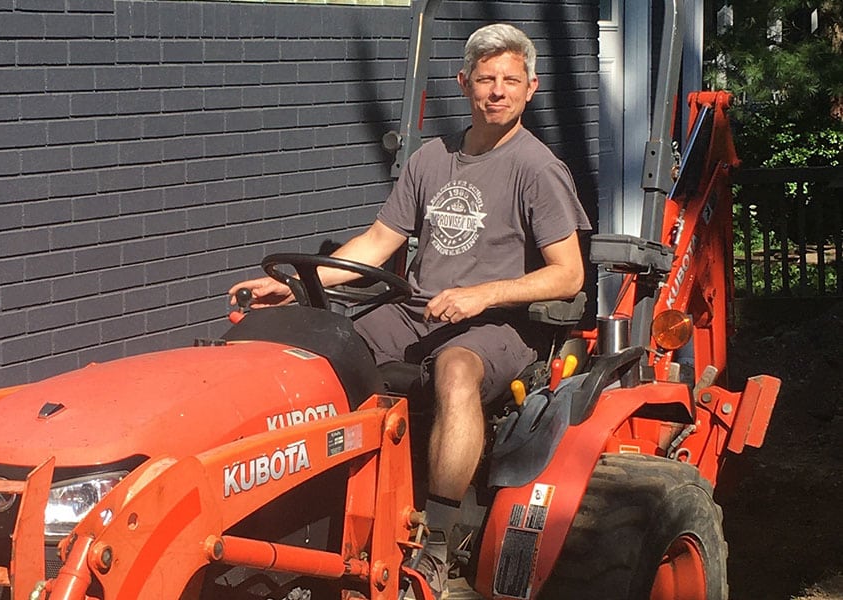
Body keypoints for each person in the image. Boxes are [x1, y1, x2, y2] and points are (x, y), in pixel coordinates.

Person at [229, 23, 591, 598]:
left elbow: (568, 273)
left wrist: (484, 294)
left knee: (455, 371)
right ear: (464, 84)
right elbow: (377, 242)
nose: (497, 90)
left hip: (498, 325)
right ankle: (305, 499)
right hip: (416, 311)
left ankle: (439, 542)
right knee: (318, 351)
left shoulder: (537, 167)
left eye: (510, 80)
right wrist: (298, 289)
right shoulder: (431, 159)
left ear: (531, 89)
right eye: (486, 79)